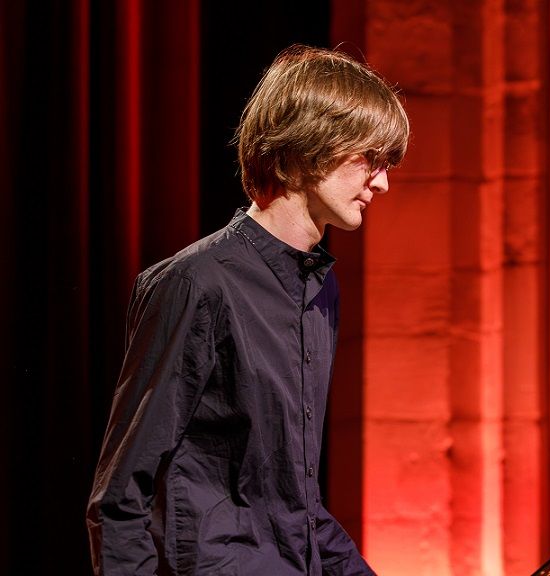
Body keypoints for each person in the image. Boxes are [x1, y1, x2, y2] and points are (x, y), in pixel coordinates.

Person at [86, 45, 409, 575]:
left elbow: (295, 506)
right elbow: (120, 499)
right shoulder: (196, 283)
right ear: (309, 144)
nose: (382, 182)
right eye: (370, 159)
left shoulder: (320, 291)